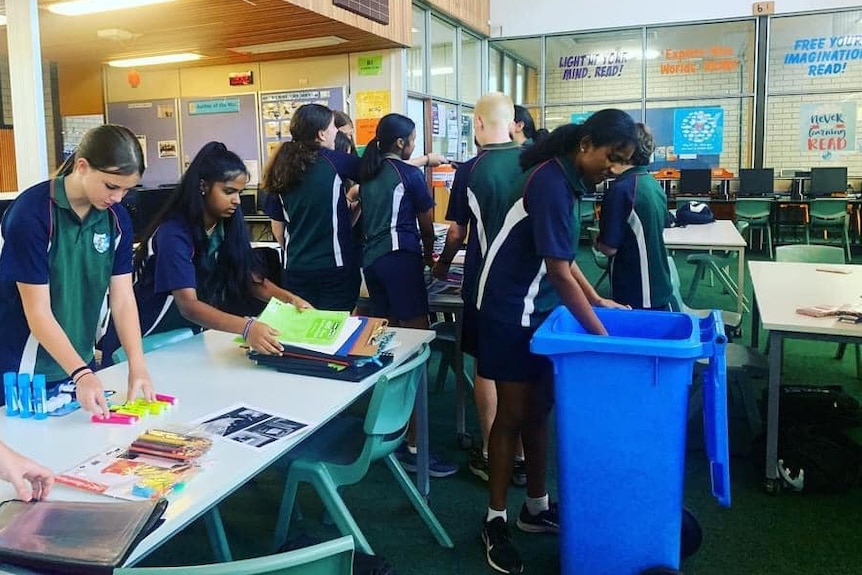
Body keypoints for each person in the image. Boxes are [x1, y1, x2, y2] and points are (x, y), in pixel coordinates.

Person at [475, 109, 637, 574]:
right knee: (511, 415)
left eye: (623, 161)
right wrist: (602, 335)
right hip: (508, 311)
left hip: (541, 310)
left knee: (540, 410)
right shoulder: (549, 182)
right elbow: (559, 272)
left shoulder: (569, 181)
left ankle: (536, 507)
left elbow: (566, 261)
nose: (616, 168)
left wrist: (599, 301)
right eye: (613, 157)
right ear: (586, 144)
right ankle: (495, 519)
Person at [99, 142, 311, 365]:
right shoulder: (174, 233)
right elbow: (188, 305)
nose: (237, 200)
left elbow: (250, 279)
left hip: (183, 341)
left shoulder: (224, 227)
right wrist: (247, 328)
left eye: (240, 192)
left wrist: (291, 301)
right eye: (228, 191)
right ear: (203, 186)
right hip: (141, 341)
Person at [0, 124, 154, 417]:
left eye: (127, 189)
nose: (119, 197)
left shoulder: (116, 218)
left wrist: (137, 365)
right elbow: (38, 312)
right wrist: (81, 373)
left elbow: (122, 299)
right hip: (25, 369)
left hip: (79, 365)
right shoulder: (31, 215)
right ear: (82, 166)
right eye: (111, 186)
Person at [432, 92, 528, 487]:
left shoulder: (471, 170)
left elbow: (456, 232)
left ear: (477, 124)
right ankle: (522, 453)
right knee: (524, 368)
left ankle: (491, 450)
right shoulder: (537, 164)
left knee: (487, 369)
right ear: (513, 123)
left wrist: (439, 264)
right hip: (533, 288)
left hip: (486, 287)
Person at [358, 113, 457, 478]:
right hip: (401, 262)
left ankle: (389, 431)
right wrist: (433, 263)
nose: (415, 145)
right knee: (414, 352)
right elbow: (428, 228)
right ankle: (416, 446)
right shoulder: (410, 176)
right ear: (402, 143)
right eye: (413, 139)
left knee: (387, 350)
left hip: (373, 264)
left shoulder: (368, 172)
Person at [262, 104, 363, 311]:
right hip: (334, 267)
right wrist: (424, 160)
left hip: (296, 268)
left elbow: (278, 229)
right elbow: (377, 171)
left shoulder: (279, 167)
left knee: (304, 329)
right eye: (334, 126)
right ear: (321, 134)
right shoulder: (334, 161)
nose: (336, 131)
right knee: (334, 327)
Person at [597, 123, 675, 310]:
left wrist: (597, 241)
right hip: (659, 285)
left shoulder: (620, 190)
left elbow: (609, 248)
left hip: (636, 291)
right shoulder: (652, 183)